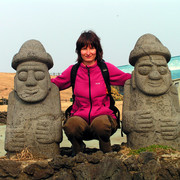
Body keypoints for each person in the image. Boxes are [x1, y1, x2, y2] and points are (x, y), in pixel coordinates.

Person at [51, 30, 131, 155]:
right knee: (71, 125)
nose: (88, 53)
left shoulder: (106, 69)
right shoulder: (73, 71)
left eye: (92, 48)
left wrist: (145, 76)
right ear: (79, 51)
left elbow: (127, 79)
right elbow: (54, 84)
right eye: (84, 49)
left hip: (104, 119)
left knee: (101, 124)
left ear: (97, 50)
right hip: (80, 118)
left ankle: (106, 150)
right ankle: (77, 149)